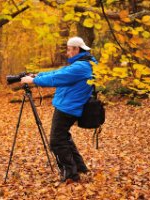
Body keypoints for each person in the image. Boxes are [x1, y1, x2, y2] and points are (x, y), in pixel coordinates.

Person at [21, 36, 97, 183]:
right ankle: (80, 169)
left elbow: (58, 78)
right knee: (64, 138)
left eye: (69, 50)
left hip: (68, 108)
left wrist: (33, 81)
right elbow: (57, 73)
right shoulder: (82, 63)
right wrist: (38, 75)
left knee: (56, 141)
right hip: (69, 106)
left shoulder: (81, 67)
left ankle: (71, 175)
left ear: (76, 49)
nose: (67, 53)